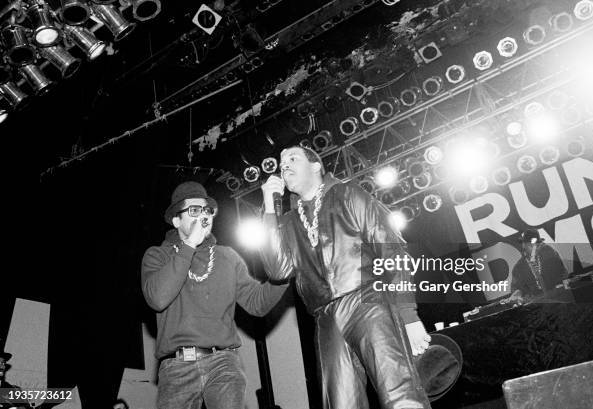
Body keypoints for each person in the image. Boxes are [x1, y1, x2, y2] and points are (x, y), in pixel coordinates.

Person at [260, 146, 433, 409]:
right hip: (326, 316)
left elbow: (390, 247)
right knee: (341, 404)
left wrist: (408, 313)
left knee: (398, 393)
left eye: (292, 159)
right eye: (281, 164)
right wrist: (269, 211)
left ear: (316, 166)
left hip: (369, 300)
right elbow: (276, 269)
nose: (284, 166)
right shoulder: (287, 222)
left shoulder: (347, 193)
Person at [141, 181, 287, 409]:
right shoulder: (157, 256)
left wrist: (283, 275)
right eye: (194, 211)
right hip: (177, 366)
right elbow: (158, 299)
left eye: (207, 210)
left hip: (223, 363)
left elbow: (257, 303)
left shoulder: (227, 256)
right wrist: (189, 244)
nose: (203, 216)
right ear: (176, 220)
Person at [508, 229, 568, 302]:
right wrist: (517, 295)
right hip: (538, 305)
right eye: (531, 245)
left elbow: (562, 273)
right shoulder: (518, 268)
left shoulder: (549, 251)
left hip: (560, 298)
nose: (535, 248)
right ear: (524, 245)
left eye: (537, 244)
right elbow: (517, 290)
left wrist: (565, 283)